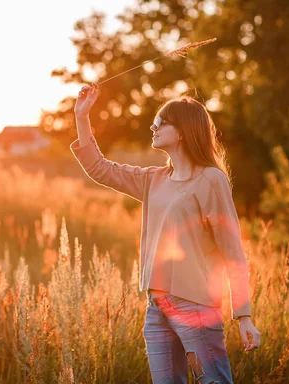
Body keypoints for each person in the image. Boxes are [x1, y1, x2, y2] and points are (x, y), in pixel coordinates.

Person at [70, 83, 260, 383]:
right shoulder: (153, 179)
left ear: (183, 130)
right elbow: (100, 169)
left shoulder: (211, 180)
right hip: (156, 307)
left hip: (196, 307)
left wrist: (244, 315)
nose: (153, 126)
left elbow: (232, 249)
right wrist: (82, 116)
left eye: (161, 122)